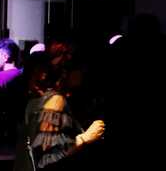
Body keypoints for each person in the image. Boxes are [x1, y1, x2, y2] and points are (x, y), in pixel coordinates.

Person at [14, 42, 105, 170]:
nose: (83, 74)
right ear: (68, 72)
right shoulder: (54, 101)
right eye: (80, 69)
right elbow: (48, 156)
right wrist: (85, 138)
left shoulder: (43, 99)